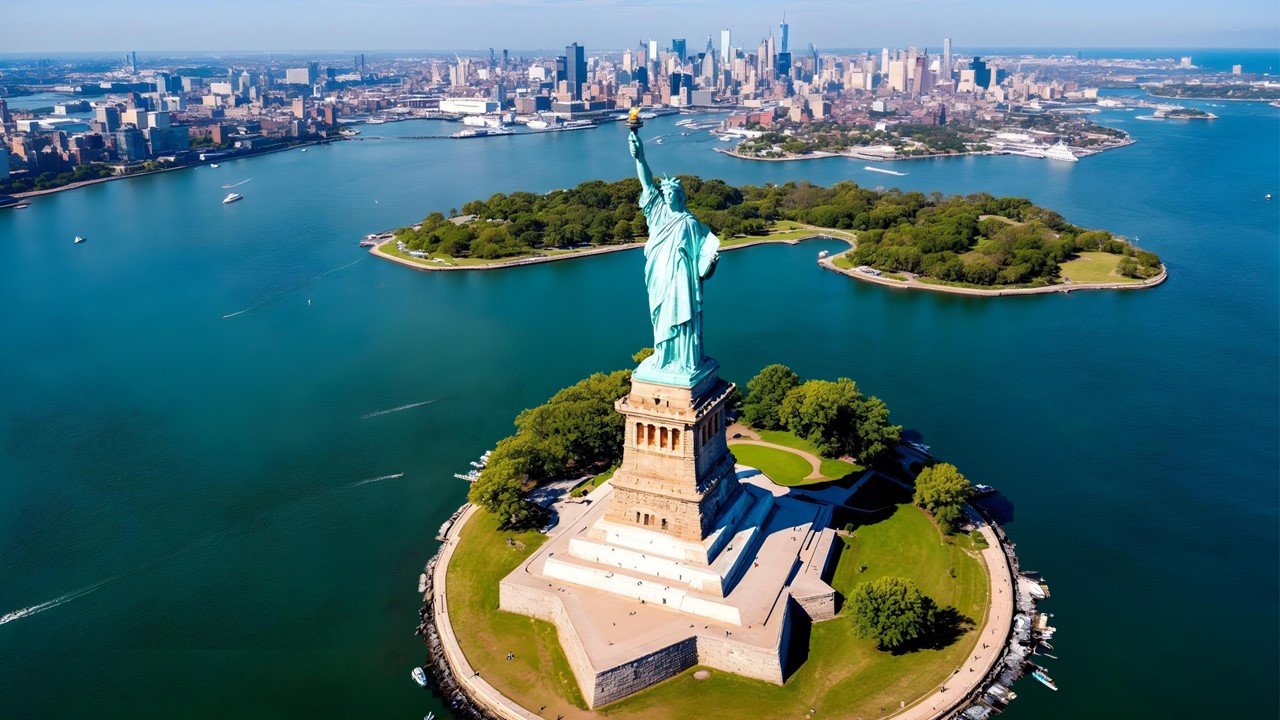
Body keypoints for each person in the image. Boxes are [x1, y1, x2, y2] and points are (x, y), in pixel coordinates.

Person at [628, 130, 719, 379]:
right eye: (665, 193)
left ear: (680, 196)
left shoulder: (690, 222)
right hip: (658, 274)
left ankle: (684, 360)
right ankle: (664, 357)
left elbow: (701, 262)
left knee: (682, 318)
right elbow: (647, 183)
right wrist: (640, 156)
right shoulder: (657, 212)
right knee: (661, 317)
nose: (667, 196)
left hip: (682, 281)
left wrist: (711, 264)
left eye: (672, 193)